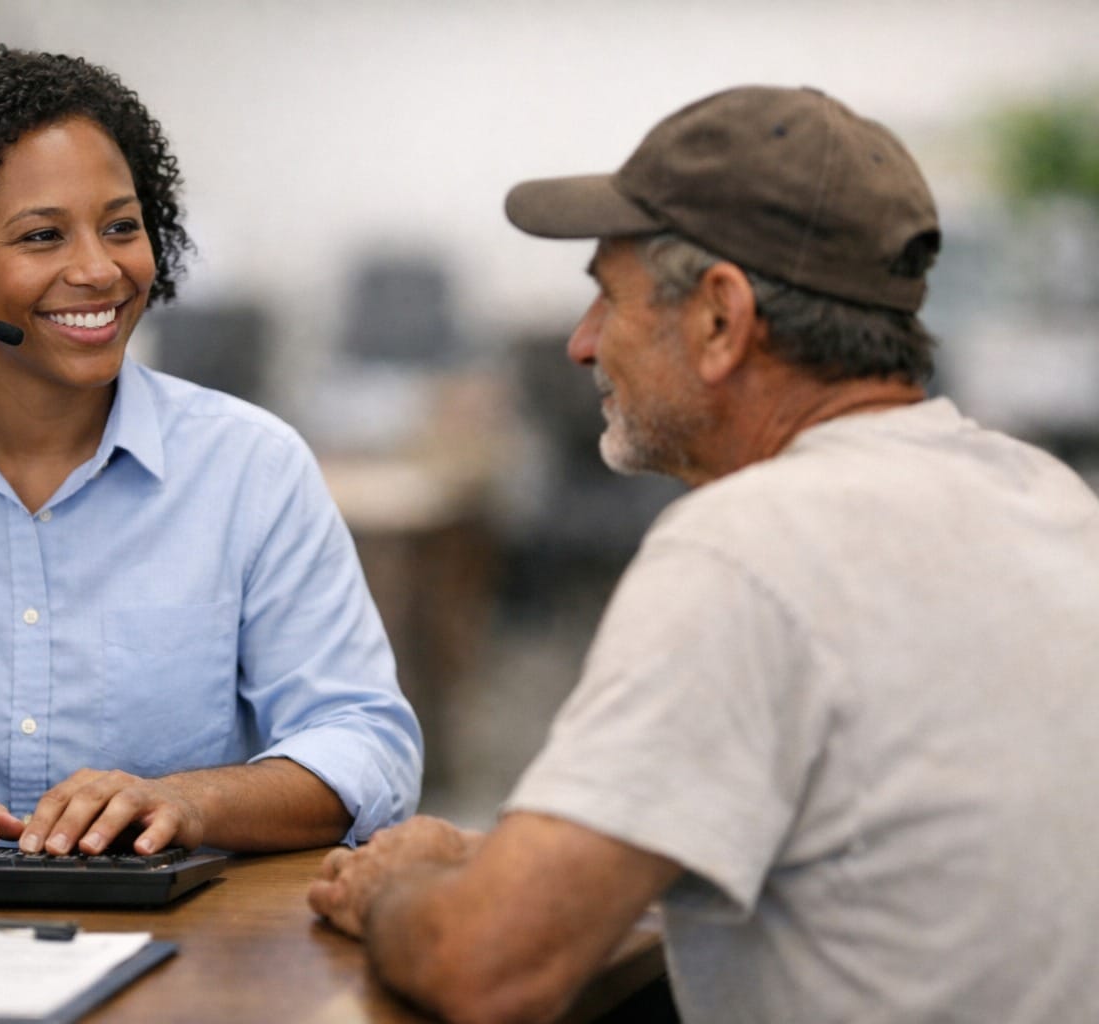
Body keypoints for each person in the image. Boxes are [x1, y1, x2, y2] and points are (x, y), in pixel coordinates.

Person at [307, 85, 1099, 1023]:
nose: (580, 343)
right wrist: (492, 865)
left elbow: (491, 967)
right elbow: (877, 861)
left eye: (608, 295)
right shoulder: (1048, 497)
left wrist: (389, 891)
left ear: (721, 319)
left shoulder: (749, 548)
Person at [0, 45, 421, 859]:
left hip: (177, 952)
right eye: (42, 235)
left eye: (121, 227)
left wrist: (189, 803)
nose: (99, 269)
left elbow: (367, 744)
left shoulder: (250, 469)